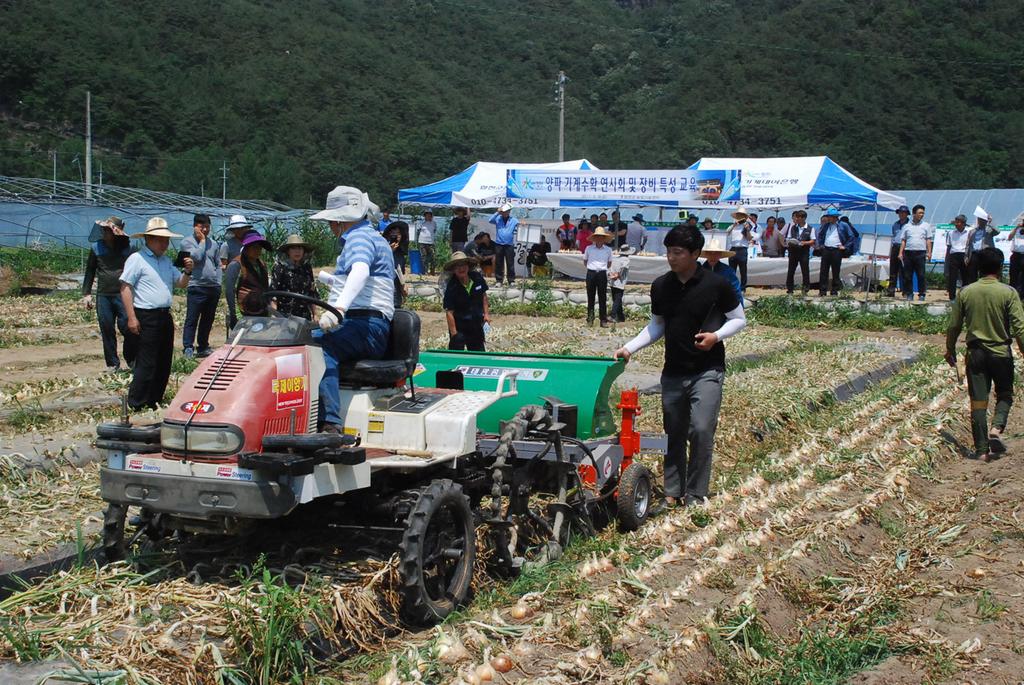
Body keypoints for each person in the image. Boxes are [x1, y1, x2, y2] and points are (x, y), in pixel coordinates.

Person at [614, 224, 746, 507]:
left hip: (707, 370)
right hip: (673, 371)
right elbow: (656, 325)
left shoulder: (715, 285)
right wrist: (629, 348)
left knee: (700, 429)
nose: (671, 258)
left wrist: (716, 336)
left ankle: (696, 494)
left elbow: (738, 319)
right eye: (668, 252)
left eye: (677, 252)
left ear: (695, 253)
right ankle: (673, 492)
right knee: (673, 431)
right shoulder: (661, 286)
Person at [310, 185, 395, 434]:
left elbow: (360, 271)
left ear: (339, 220)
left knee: (318, 347)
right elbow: (358, 281)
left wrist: (338, 309)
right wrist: (327, 280)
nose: (329, 226)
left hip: (366, 324)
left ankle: (329, 422)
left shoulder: (358, 237)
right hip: (364, 322)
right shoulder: (370, 237)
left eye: (331, 221)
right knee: (304, 336)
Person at [945, 247, 1024, 461]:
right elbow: (1020, 327)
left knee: (978, 402)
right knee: (1005, 393)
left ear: (979, 268)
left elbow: (954, 325)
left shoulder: (966, 292)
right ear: (1000, 268)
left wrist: (950, 349)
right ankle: (997, 428)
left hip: (976, 353)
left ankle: (981, 451)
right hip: (1000, 352)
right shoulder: (1008, 292)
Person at [119, 217, 193, 411]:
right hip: (146, 315)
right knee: (147, 361)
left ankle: (153, 400)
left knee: (163, 361)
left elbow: (181, 284)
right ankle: (136, 401)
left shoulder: (166, 261)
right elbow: (125, 287)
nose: (164, 243)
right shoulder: (137, 259)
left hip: (163, 315)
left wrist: (188, 271)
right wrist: (132, 317)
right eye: (159, 239)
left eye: (166, 240)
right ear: (148, 240)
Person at [82, 216, 135, 373]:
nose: (106, 233)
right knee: (106, 328)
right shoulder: (97, 248)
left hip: (123, 294)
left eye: (109, 231)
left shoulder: (128, 248)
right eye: (104, 230)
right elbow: (90, 270)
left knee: (128, 326)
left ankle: (131, 358)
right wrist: (86, 293)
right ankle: (112, 363)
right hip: (104, 294)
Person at [179, 213, 220, 358]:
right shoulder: (186, 242)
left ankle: (203, 346)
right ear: (195, 226)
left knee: (207, 319)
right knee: (192, 318)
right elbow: (196, 257)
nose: (205, 230)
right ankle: (188, 347)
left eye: (208, 227)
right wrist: (202, 241)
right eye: (202, 227)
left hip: (212, 286)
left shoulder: (214, 244)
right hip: (196, 286)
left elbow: (218, 264)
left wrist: (218, 282)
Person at [443, 251, 490, 351]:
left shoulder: (477, 278)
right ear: (453, 270)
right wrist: (454, 334)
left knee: (478, 355)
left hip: (476, 324)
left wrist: (486, 314)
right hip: (459, 326)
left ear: (468, 266)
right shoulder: (451, 287)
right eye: (457, 266)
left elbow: (484, 296)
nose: (461, 269)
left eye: (463, 265)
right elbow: (449, 312)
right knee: (456, 356)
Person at [220, 215, 253, 336]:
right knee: (233, 309)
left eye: (242, 228)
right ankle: (233, 333)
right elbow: (223, 265)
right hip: (233, 281)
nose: (240, 231)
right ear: (232, 230)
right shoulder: (226, 245)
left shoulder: (249, 244)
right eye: (237, 229)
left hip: (247, 281)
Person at [272, 234, 319, 319]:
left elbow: (312, 291)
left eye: (300, 248)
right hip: (284, 315)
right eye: (293, 248)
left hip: (304, 315)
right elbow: (274, 293)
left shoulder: (306, 268)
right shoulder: (280, 268)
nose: (297, 251)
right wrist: (274, 316)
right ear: (288, 251)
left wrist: (315, 314)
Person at [230, 231, 273, 316]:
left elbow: (265, 287)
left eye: (259, 248)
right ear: (246, 248)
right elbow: (230, 291)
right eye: (254, 247)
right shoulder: (237, 265)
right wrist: (234, 314)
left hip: (261, 309)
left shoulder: (262, 265)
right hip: (244, 311)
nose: (258, 250)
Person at [816, 208, 857, 297]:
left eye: (830, 217)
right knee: (823, 271)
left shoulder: (843, 225)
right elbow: (820, 235)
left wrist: (845, 246)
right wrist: (821, 245)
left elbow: (852, 236)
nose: (828, 218)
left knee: (836, 271)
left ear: (835, 217)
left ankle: (834, 291)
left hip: (836, 250)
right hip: (826, 250)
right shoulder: (826, 225)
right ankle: (822, 291)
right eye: (828, 216)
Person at [898, 204, 934, 301]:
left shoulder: (926, 226)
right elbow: (903, 240)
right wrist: (900, 253)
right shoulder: (906, 226)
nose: (921, 215)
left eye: (923, 213)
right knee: (907, 275)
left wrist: (929, 252)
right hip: (908, 252)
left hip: (920, 253)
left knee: (921, 275)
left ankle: (921, 294)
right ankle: (909, 294)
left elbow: (928, 240)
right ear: (914, 214)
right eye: (919, 213)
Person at [583, 226, 614, 327]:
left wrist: (601, 268)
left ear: (604, 238)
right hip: (591, 273)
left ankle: (603, 320)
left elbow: (609, 263)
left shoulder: (608, 250)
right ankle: (590, 319)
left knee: (602, 297)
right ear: (595, 238)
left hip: (602, 273)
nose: (599, 238)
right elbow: (585, 261)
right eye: (598, 236)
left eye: (601, 237)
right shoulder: (589, 248)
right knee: (590, 297)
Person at [700, 237, 742, 303]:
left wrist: (740, 311)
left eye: (716, 253)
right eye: (710, 253)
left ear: (720, 255)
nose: (712, 256)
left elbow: (736, 292)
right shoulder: (699, 272)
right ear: (706, 254)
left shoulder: (729, 271)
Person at [726, 207, 757, 292]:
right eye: (738, 215)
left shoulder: (747, 225)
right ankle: (731, 287)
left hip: (742, 249)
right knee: (731, 270)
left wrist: (747, 229)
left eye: (741, 215)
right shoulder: (733, 225)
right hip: (733, 248)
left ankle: (743, 288)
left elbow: (749, 238)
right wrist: (734, 225)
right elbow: (727, 232)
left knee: (743, 270)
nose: (739, 217)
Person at [784, 210, 815, 295]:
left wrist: (804, 243)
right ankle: (790, 289)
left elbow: (813, 241)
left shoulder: (810, 228)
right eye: (796, 217)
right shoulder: (793, 227)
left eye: (798, 217)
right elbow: (788, 238)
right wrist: (791, 242)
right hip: (793, 251)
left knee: (805, 271)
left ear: (804, 218)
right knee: (791, 271)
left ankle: (805, 289)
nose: (796, 219)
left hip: (804, 252)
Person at [965, 211, 999, 285]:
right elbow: (968, 245)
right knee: (972, 274)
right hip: (974, 254)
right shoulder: (972, 231)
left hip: (985, 254)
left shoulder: (988, 230)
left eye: (982, 220)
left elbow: (997, 231)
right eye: (979, 219)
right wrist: (966, 257)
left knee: (984, 274)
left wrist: (990, 222)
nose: (980, 221)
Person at [489, 203, 519, 285]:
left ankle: (511, 280)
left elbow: (519, 228)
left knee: (510, 263)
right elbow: (490, 220)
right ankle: (499, 280)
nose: (504, 213)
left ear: (509, 211)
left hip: (509, 244)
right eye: (503, 211)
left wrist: (523, 224)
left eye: (506, 211)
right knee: (499, 263)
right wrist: (497, 212)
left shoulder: (514, 220)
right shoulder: (498, 218)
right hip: (499, 244)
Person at [885, 206, 911, 296]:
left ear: (907, 214)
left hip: (905, 247)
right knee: (893, 270)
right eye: (900, 212)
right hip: (895, 247)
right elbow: (894, 235)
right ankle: (891, 290)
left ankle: (906, 291)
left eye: (904, 212)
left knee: (904, 270)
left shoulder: (910, 225)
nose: (901, 214)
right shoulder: (895, 224)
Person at [945, 214, 970, 301]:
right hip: (954, 255)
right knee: (952, 277)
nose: (956, 224)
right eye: (956, 222)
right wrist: (947, 259)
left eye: (958, 222)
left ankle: (965, 296)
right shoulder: (951, 233)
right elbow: (949, 246)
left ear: (963, 223)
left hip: (964, 254)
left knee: (965, 277)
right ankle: (952, 297)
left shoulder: (968, 232)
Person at [609, 244, 633, 323]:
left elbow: (610, 268)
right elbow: (623, 268)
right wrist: (619, 275)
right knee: (618, 299)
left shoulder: (615, 259)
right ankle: (613, 315)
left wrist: (612, 275)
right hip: (620, 281)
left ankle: (621, 317)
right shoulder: (626, 260)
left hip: (613, 281)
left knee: (616, 299)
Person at [416, 210, 437, 275]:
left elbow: (434, 231)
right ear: (425, 216)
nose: (428, 216)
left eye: (429, 215)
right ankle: (425, 271)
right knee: (424, 257)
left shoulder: (434, 223)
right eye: (427, 215)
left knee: (433, 256)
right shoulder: (421, 223)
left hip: (431, 242)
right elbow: (418, 231)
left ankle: (432, 270)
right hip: (422, 242)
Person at [1008, 219, 1024, 299]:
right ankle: (1012, 295)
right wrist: (1017, 227)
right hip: (1016, 255)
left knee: (1022, 279)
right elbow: (1009, 237)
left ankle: (1021, 297)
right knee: (1013, 276)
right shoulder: (1016, 229)